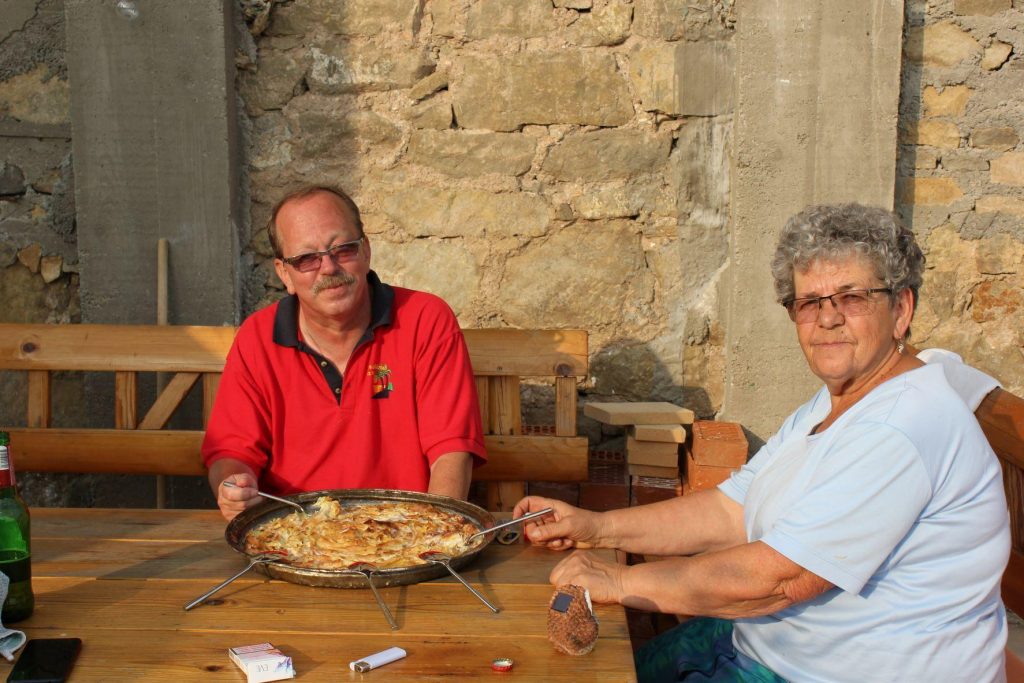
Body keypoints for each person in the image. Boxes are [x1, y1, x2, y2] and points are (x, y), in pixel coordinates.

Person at [514, 203, 1010, 682]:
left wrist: (619, 581)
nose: (827, 318)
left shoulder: (900, 426)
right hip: (762, 644)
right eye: (809, 302)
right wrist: (596, 529)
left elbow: (778, 581)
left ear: (901, 309)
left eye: (851, 298)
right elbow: (733, 509)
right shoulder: (837, 401)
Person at [202, 185, 486, 520]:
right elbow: (232, 451)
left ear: (366, 251)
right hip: (292, 533)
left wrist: (432, 532)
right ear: (284, 274)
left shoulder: (425, 319)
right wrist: (234, 486)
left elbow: (451, 450)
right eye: (306, 259)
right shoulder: (258, 337)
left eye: (343, 250)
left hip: (405, 527)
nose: (328, 268)